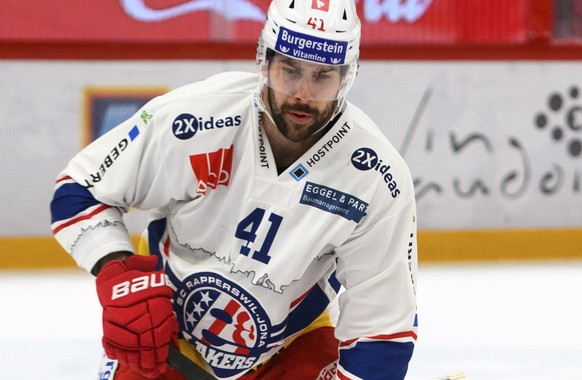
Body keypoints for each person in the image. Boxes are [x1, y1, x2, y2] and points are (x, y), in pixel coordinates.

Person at [50, 0, 418, 379]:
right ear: (264, 60)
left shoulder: (376, 176)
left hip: (289, 348)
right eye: (289, 70)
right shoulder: (195, 118)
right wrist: (117, 271)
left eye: (322, 76)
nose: (303, 94)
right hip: (164, 337)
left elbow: (383, 331)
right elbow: (79, 190)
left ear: (347, 77)